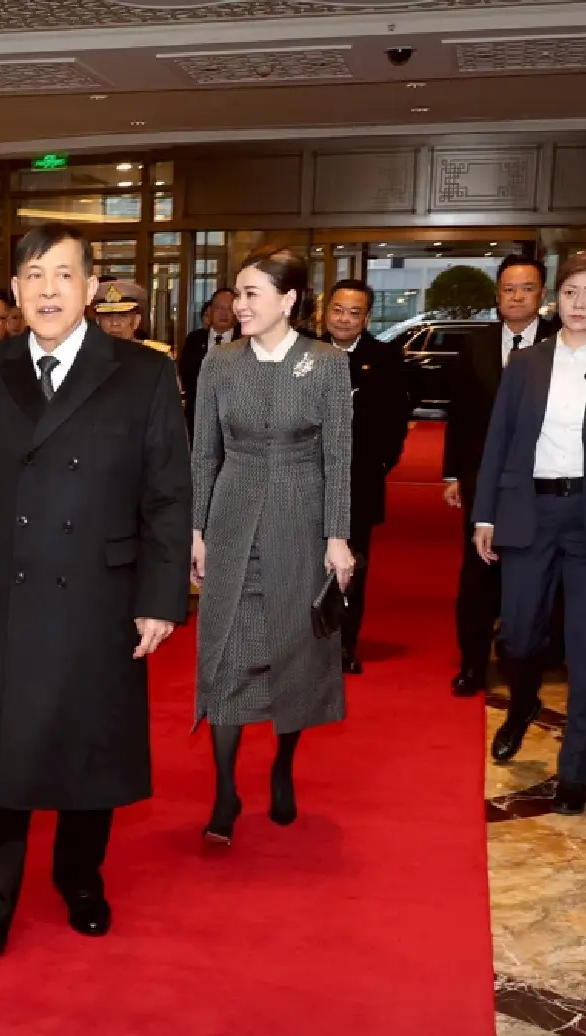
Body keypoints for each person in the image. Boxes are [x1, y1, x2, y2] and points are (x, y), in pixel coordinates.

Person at [0, 223, 189, 957]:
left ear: (92, 289)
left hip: (95, 592)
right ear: (13, 291)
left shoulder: (141, 372)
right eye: (34, 276)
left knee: (85, 749)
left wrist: (162, 595)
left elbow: (168, 494)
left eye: (63, 276)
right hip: (4, 587)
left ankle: (80, 876)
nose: (47, 290)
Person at [473, 251, 586, 815]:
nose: (580, 304)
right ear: (559, 297)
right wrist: (486, 514)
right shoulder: (527, 364)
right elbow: (498, 442)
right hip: (531, 511)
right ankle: (524, 701)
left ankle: (575, 771)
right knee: (519, 639)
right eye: (573, 292)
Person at [191, 253, 353, 845]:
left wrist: (337, 539)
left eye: (253, 293)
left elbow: (339, 458)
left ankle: (283, 765)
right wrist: (196, 529)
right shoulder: (220, 364)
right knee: (227, 653)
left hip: (300, 522)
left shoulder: (327, 364)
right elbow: (203, 454)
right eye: (237, 294)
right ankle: (226, 790)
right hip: (233, 520)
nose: (241, 304)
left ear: (288, 301)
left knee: (294, 651)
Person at [445, 255, 554, 696]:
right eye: (509, 288)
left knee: (535, 569)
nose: (516, 296)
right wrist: (452, 473)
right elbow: (461, 415)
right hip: (483, 477)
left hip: (543, 476)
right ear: (497, 294)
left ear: (542, 296)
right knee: (478, 571)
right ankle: (472, 663)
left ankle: (526, 657)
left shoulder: (560, 344)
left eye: (526, 288)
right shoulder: (476, 345)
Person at [319, 279, 411, 672]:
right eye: (338, 309)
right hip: (304, 480)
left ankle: (344, 643)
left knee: (350, 568)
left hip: (359, 483)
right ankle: (305, 645)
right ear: (326, 312)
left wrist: (378, 465)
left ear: (367, 317)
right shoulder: (303, 352)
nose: (344, 319)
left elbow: (396, 421)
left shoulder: (385, 358)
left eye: (354, 312)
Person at [179, 287, 237, 432]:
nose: (224, 313)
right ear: (209, 311)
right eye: (219, 308)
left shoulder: (246, 340)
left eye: (229, 308)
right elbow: (186, 375)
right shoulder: (194, 339)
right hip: (198, 418)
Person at [93, 280, 171, 356]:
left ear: (136, 321)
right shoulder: (86, 354)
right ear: (97, 321)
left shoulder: (156, 355)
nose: (114, 323)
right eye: (108, 316)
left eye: (123, 316)